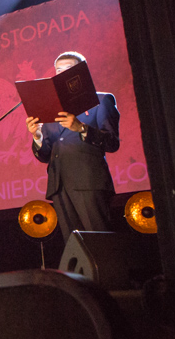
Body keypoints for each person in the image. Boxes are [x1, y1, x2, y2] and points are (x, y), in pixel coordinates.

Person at [26, 51, 121, 242]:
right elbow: (45, 155)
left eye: (68, 69)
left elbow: (112, 143)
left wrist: (81, 128)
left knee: (101, 241)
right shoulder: (51, 109)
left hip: (88, 182)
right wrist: (37, 137)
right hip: (59, 185)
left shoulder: (101, 100)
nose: (62, 74)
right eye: (58, 71)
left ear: (82, 73)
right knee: (75, 245)